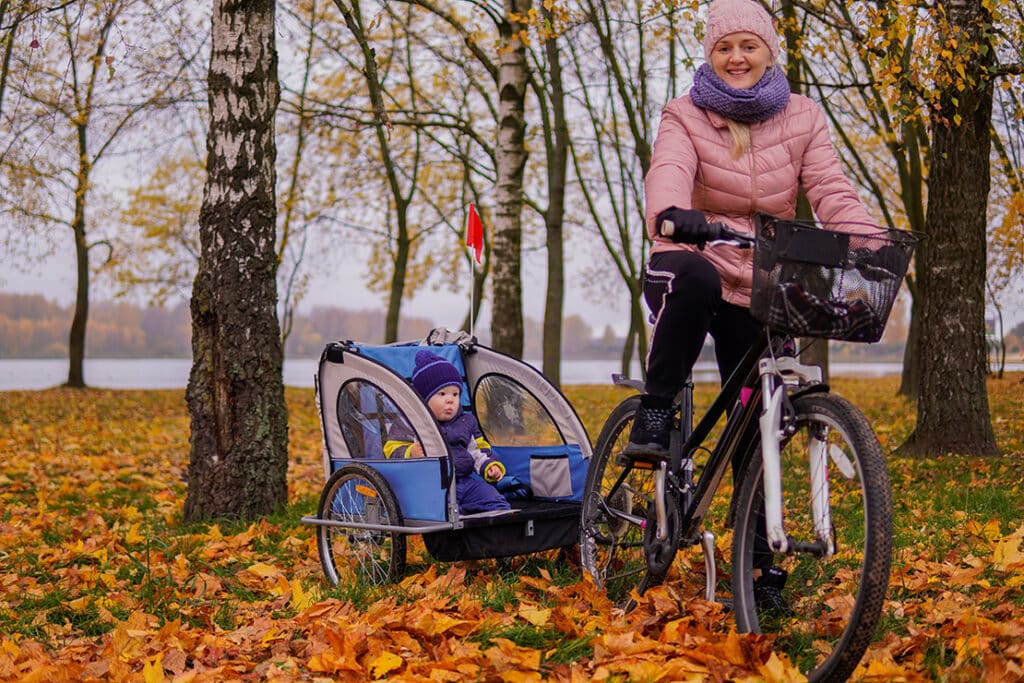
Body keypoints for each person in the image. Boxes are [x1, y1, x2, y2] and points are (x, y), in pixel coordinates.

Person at [625, 0, 876, 608]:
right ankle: (656, 411)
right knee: (697, 282)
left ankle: (761, 568)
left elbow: (830, 191)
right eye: (723, 48)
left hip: (764, 273)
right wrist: (670, 215)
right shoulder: (684, 115)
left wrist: (868, 240)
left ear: (769, 52)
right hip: (696, 254)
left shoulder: (803, 117)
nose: (736, 57)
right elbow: (669, 170)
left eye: (748, 46)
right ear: (710, 56)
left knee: (760, 422)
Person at [386, 349, 511, 515]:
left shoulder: (466, 421)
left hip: (464, 483)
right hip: (431, 487)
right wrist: (410, 452)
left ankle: (498, 531)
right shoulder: (411, 423)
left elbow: (477, 451)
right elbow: (390, 450)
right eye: (442, 394)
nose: (450, 399)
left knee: (494, 499)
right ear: (423, 399)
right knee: (443, 511)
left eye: (455, 394)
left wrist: (489, 466)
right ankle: (459, 515)